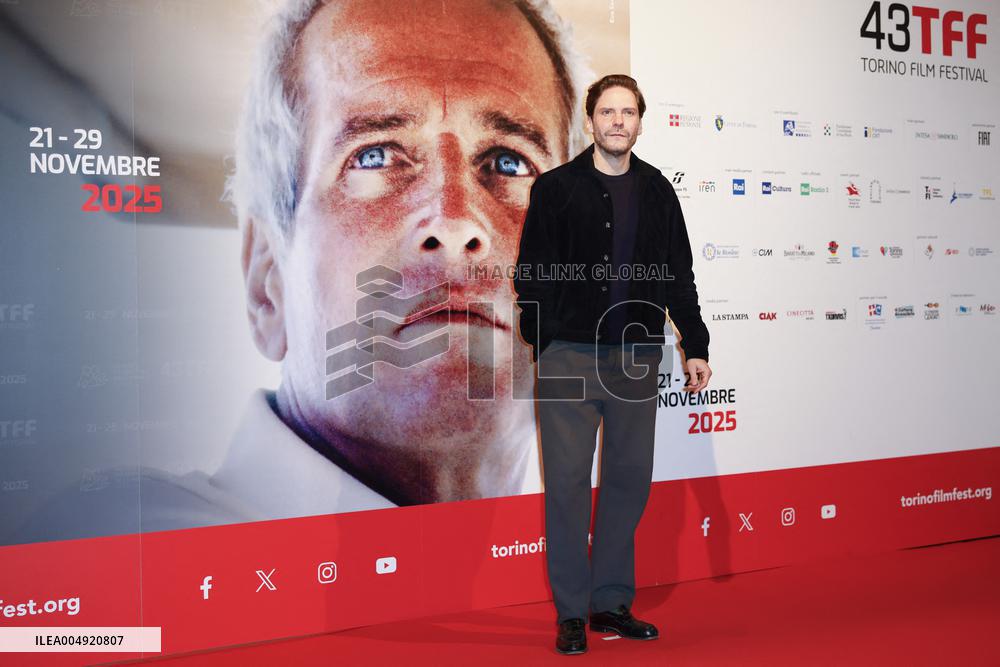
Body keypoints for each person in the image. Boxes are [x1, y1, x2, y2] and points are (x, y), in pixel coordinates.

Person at [513, 74, 712, 655]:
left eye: (628, 112)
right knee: (569, 487)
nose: (617, 121)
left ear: (641, 122)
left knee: (627, 482)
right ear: (591, 121)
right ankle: (572, 613)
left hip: (637, 356)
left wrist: (694, 344)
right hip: (569, 356)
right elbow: (532, 272)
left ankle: (611, 603)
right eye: (607, 111)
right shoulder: (555, 189)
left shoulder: (658, 192)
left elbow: (680, 274)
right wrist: (544, 339)